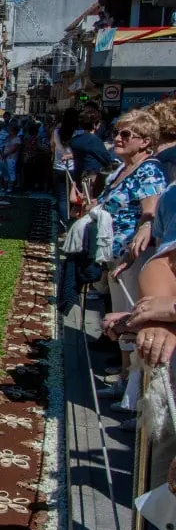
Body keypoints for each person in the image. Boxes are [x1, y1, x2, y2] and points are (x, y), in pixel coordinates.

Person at [96, 108, 166, 389]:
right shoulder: (121, 169)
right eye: (116, 132)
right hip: (115, 253)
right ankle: (125, 379)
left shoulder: (149, 170)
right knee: (120, 314)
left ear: (145, 141)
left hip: (133, 257)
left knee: (130, 315)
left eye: (126, 134)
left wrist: (139, 238)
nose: (118, 138)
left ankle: (132, 387)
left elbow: (151, 213)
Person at [53, 111, 76, 227]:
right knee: (74, 196)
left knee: (62, 197)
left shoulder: (57, 132)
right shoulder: (77, 132)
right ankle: (71, 221)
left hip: (59, 166)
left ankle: (64, 223)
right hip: (73, 167)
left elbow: (54, 145)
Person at [0, 121, 22, 194]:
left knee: (10, 172)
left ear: (14, 130)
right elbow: (3, 147)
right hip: (3, 157)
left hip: (11, 157)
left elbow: (14, 148)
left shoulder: (17, 138)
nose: (9, 131)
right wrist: (2, 154)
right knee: (1, 171)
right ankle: (3, 186)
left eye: (10, 130)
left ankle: (10, 187)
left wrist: (6, 154)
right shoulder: (7, 138)